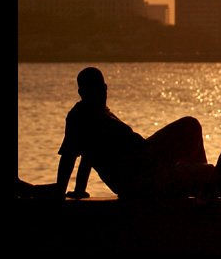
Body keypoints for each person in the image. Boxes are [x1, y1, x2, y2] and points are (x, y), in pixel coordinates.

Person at [55, 67, 212, 199]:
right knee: (210, 173)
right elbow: (69, 157)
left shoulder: (97, 112)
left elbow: (88, 154)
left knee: (191, 125)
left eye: (102, 88)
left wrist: (79, 189)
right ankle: (195, 182)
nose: (102, 93)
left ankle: (193, 181)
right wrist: (60, 192)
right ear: (82, 92)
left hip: (150, 158)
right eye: (95, 89)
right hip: (144, 177)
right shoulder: (81, 117)